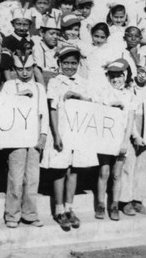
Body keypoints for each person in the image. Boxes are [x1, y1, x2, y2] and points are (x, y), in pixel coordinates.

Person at [42, 45, 97, 231]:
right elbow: (53, 109)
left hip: (78, 132)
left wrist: (78, 96)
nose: (69, 66)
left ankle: (69, 207)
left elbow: (90, 104)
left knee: (74, 169)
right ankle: (58, 210)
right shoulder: (55, 82)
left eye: (73, 63)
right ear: (59, 63)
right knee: (60, 169)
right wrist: (56, 134)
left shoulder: (84, 82)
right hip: (62, 131)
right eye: (65, 63)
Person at [1, 50, 49, 228]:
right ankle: (12, 214)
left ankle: (30, 213)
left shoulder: (39, 87)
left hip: (34, 134)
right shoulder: (9, 86)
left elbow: (43, 112)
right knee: (15, 176)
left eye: (28, 69)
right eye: (20, 69)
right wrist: (18, 97)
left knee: (32, 176)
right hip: (16, 134)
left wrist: (43, 134)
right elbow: (2, 106)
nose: (24, 73)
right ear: (14, 69)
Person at [93, 59, 138, 221]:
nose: (115, 79)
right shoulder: (102, 92)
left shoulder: (130, 95)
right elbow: (97, 111)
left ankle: (114, 205)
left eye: (119, 75)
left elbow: (130, 121)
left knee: (117, 174)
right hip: (105, 138)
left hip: (120, 139)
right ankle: (100, 204)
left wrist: (125, 142)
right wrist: (110, 107)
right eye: (112, 75)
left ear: (125, 76)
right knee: (104, 171)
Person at [119, 54, 146, 216]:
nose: (142, 75)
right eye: (141, 71)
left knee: (143, 165)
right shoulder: (129, 87)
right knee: (128, 164)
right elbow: (130, 113)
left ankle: (138, 199)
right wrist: (135, 134)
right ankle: (125, 200)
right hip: (130, 126)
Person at [0, 5, 37, 82]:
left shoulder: (31, 41)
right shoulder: (8, 40)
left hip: (29, 76)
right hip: (13, 76)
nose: (21, 28)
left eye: (25, 25)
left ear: (30, 26)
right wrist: (9, 81)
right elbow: (5, 64)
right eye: (18, 24)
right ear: (12, 24)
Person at [32, 14, 60, 86]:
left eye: (57, 34)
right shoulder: (37, 48)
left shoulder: (59, 48)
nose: (55, 37)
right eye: (52, 33)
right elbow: (37, 71)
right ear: (42, 33)